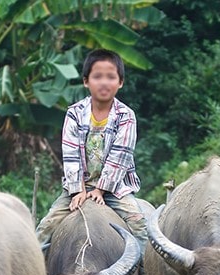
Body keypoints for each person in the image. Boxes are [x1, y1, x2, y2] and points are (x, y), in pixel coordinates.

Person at [36, 49, 148, 253]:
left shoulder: (126, 116)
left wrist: (100, 190)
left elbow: (120, 156)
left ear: (120, 82)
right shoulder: (75, 113)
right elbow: (70, 155)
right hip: (78, 185)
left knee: (140, 226)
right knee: (46, 226)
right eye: (97, 76)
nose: (104, 82)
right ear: (86, 81)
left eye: (110, 77)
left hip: (116, 188)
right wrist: (78, 189)